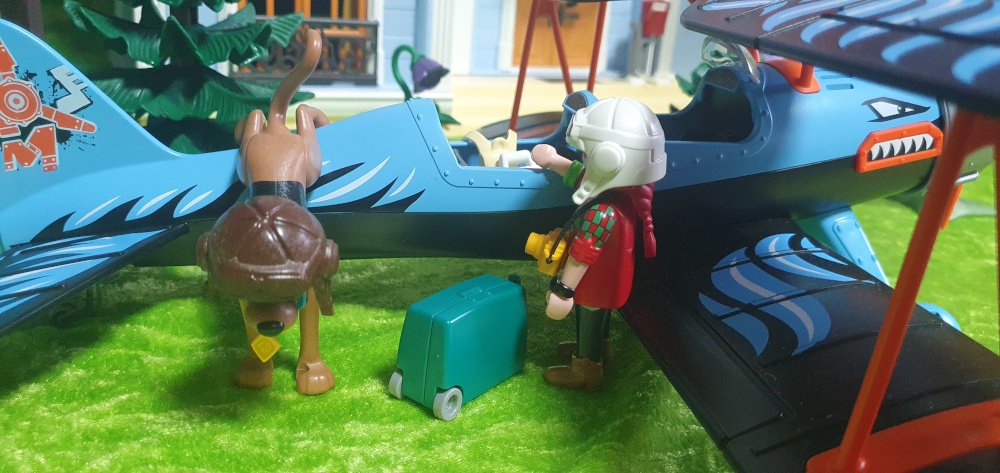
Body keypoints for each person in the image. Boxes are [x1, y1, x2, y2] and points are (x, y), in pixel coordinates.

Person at [530, 97, 667, 391]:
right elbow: (585, 177)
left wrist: (564, 291)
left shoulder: (601, 213)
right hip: (613, 279)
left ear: (609, 160)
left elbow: (582, 255)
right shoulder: (627, 191)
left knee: (589, 314)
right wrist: (553, 160)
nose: (585, 160)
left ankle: (585, 369)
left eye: (588, 155)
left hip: (594, 282)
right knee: (598, 317)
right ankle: (598, 350)